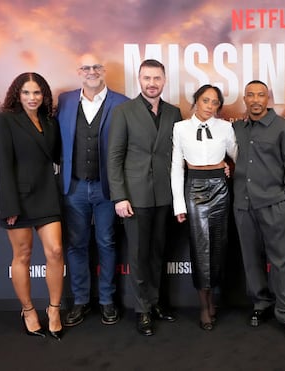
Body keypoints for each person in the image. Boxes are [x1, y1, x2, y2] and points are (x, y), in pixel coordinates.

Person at [107, 59, 181, 336]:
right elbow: (114, 157)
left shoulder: (174, 112)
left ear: (164, 80)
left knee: (158, 252)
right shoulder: (123, 111)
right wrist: (119, 197)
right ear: (139, 80)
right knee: (138, 254)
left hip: (164, 195)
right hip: (134, 197)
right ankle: (142, 310)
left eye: (157, 78)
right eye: (147, 78)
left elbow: (179, 153)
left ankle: (156, 302)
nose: (152, 83)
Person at [0, 72, 64, 340]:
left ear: (43, 95)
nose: (32, 98)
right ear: (17, 94)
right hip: (18, 199)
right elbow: (3, 165)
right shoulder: (3, 120)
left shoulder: (50, 122)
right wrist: (10, 205)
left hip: (47, 194)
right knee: (22, 255)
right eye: (26, 93)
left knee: (55, 251)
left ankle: (54, 310)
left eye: (36, 93)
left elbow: (55, 156)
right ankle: (29, 310)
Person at [58, 53, 129, 327]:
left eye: (96, 66)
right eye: (86, 67)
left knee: (107, 243)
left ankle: (107, 301)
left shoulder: (121, 102)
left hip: (106, 188)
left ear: (104, 70)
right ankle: (80, 301)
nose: (91, 71)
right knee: (76, 245)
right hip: (73, 186)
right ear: (79, 71)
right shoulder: (64, 101)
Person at [233, 80, 285, 341]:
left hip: (275, 205)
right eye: (250, 95)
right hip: (243, 205)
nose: (255, 100)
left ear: (268, 98)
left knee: (283, 262)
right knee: (251, 260)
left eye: (260, 95)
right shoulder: (238, 128)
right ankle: (260, 304)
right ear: (244, 98)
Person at [170, 84, 237, 331]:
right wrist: (179, 204)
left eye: (215, 102)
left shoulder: (226, 127)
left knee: (218, 246)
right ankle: (203, 305)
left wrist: (230, 167)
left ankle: (214, 300)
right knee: (200, 248)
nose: (210, 106)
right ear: (195, 101)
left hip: (220, 187)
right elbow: (177, 166)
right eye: (205, 100)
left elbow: (238, 155)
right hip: (194, 188)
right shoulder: (180, 128)